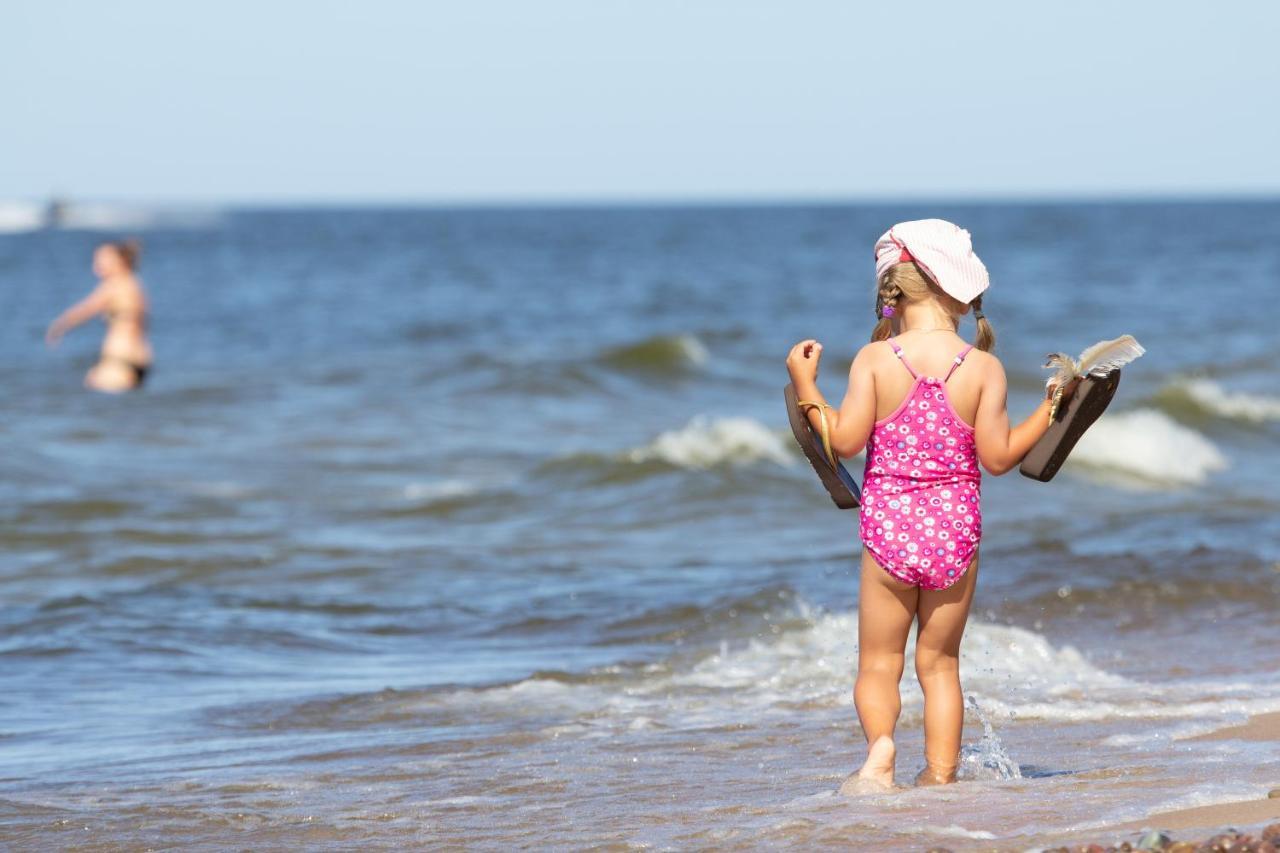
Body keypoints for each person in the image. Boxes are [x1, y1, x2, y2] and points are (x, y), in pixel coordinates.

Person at [785, 219, 1072, 790]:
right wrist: (1051, 408)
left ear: (893, 289)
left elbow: (843, 442)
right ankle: (941, 779)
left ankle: (882, 749)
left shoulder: (875, 360)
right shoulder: (982, 367)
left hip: (889, 532)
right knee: (940, 666)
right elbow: (998, 457)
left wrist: (805, 384)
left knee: (878, 665)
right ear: (955, 289)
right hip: (954, 535)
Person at [46, 239, 153, 392]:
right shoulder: (135, 284)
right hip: (140, 358)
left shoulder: (115, 285)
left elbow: (85, 309)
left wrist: (58, 326)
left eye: (102, 259)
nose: (97, 264)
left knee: (91, 398)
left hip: (119, 359)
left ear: (119, 260)